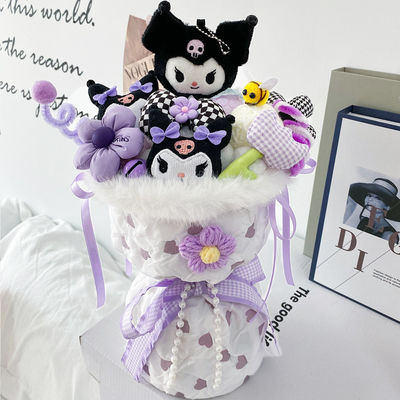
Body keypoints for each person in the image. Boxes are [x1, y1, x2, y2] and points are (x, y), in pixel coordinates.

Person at [348, 178, 400, 242]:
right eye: (369, 195)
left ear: (387, 207)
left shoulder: (389, 235)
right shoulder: (364, 221)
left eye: (378, 198)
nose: (370, 199)